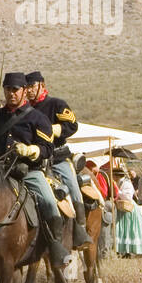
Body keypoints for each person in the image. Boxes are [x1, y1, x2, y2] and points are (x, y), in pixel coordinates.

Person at [0, 72, 74, 270]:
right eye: (8, 90)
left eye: (15, 90)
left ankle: (55, 246)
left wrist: (31, 150)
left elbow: (47, 148)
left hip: (28, 172)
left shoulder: (38, 118)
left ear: (24, 91)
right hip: (0, 173)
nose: (11, 94)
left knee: (49, 203)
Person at [25, 71, 92, 250]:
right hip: (35, 160)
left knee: (72, 186)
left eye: (32, 86)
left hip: (57, 157)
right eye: (27, 87)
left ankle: (80, 230)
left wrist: (55, 129)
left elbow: (72, 125)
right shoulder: (24, 110)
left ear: (42, 86)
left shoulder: (57, 104)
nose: (29, 90)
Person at [114, 168, 142, 256]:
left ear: (116, 176)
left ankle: (131, 250)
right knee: (124, 230)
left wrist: (117, 191)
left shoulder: (126, 183)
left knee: (130, 229)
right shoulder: (120, 182)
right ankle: (123, 250)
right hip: (122, 208)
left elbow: (128, 196)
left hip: (129, 208)